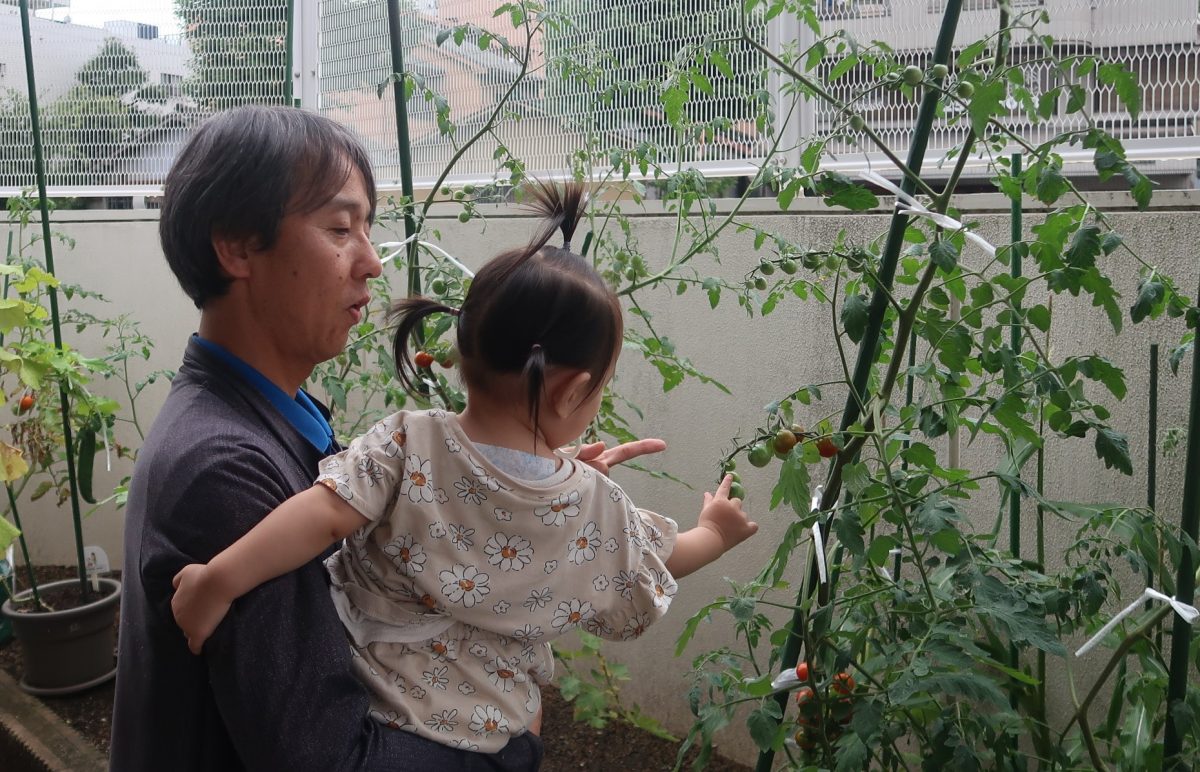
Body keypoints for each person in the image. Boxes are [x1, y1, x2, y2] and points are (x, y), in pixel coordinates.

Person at [108, 105, 661, 771]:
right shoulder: (222, 467)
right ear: (237, 247)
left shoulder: (277, 414)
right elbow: (330, 761)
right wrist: (513, 747)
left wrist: (519, 481)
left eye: (368, 228)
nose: (371, 261)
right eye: (341, 227)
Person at [168, 180, 760, 759]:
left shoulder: (411, 441)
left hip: (379, 706)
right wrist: (716, 532)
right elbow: (659, 558)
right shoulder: (595, 506)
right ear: (573, 389)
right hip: (493, 735)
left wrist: (217, 580)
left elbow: (323, 515)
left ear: (460, 351)